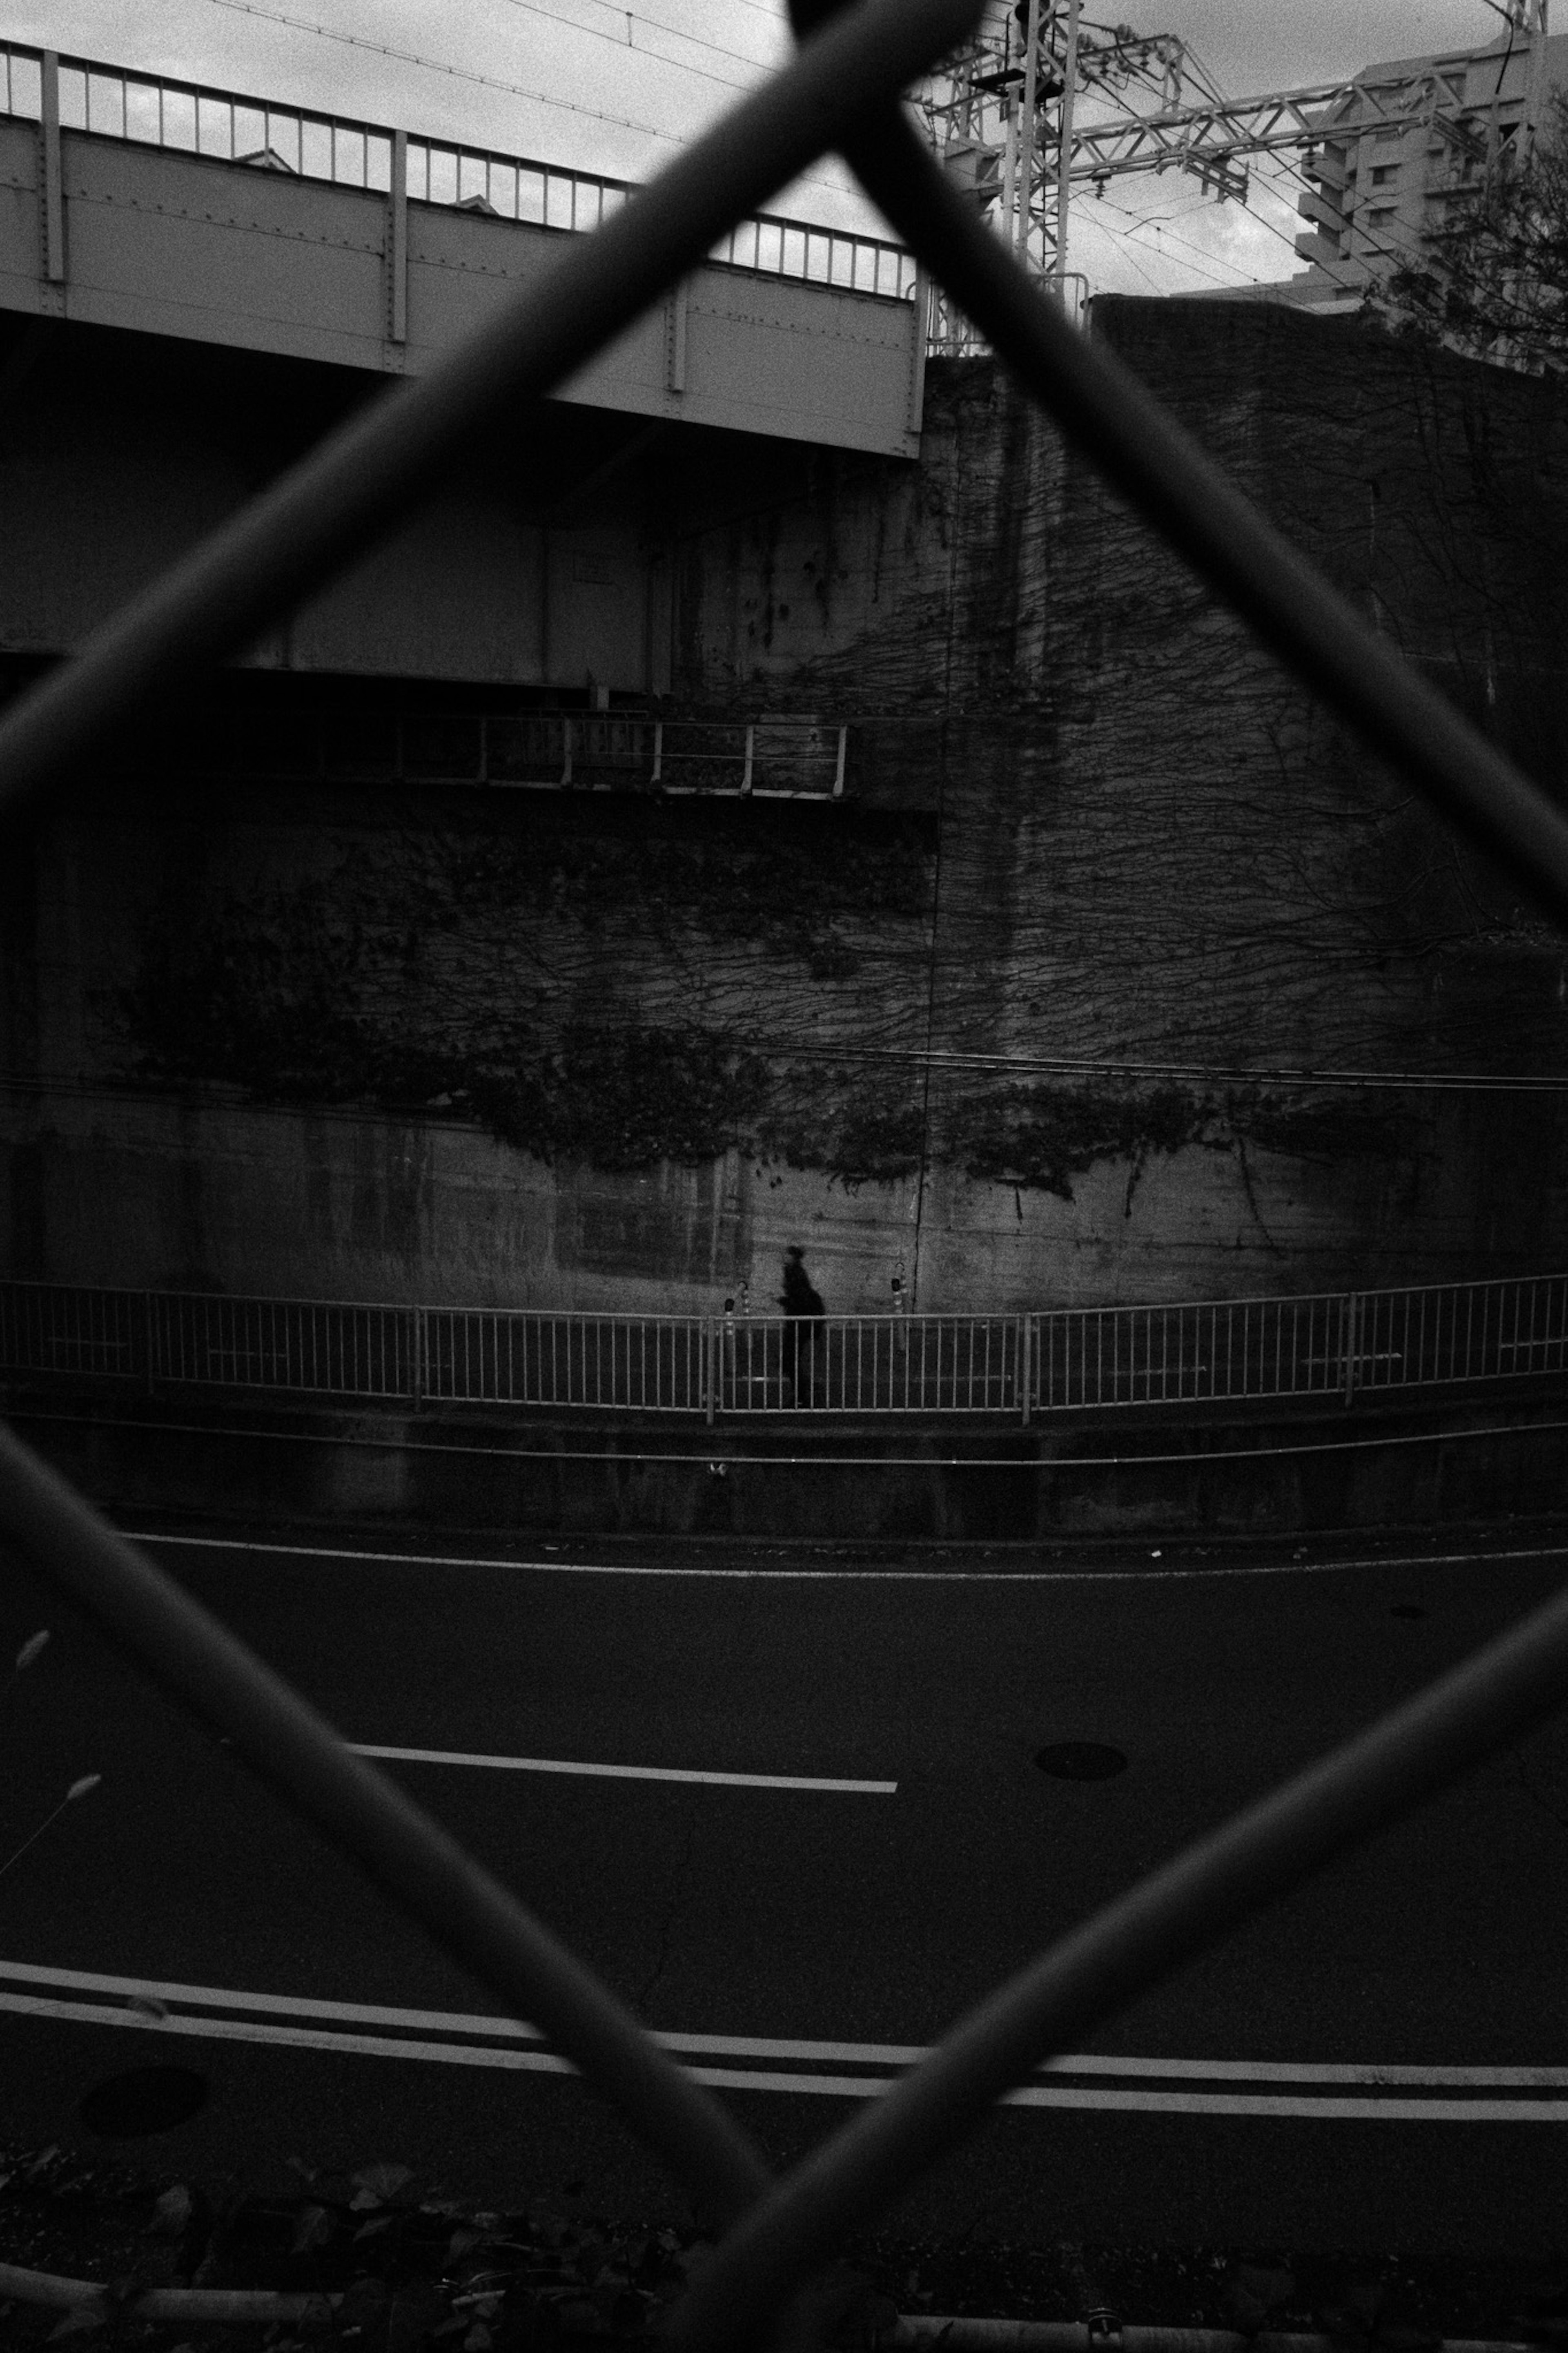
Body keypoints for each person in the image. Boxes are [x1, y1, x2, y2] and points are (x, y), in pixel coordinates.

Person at [778, 1245, 825, 1406]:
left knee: (790, 1360)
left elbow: (801, 1300)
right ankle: (802, 1391)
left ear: (793, 1257)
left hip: (799, 1324)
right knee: (791, 1359)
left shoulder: (795, 1273)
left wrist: (785, 1301)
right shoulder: (793, 1271)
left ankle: (801, 1395)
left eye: (787, 1255)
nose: (784, 1257)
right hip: (798, 1323)